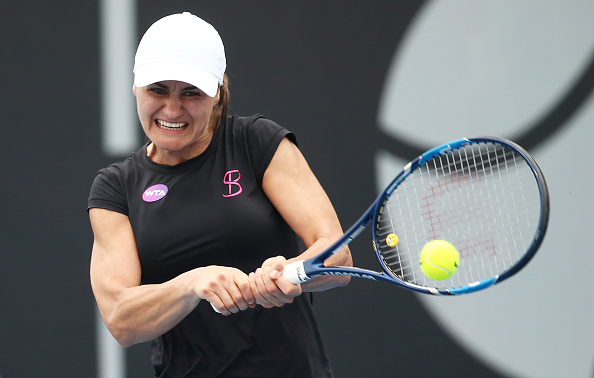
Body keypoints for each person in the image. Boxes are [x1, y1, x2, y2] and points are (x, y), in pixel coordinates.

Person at [88, 12, 352, 377]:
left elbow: (337, 254)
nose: (172, 109)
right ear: (135, 87)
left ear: (218, 92)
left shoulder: (257, 142)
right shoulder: (115, 188)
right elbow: (121, 318)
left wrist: (289, 273)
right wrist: (192, 283)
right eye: (158, 90)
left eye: (191, 93)